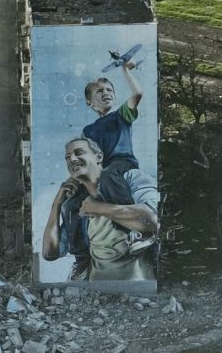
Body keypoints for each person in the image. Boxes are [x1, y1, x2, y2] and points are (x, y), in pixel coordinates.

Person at [57, 61, 145, 280]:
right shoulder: (88, 130)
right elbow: (86, 158)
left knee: (107, 176)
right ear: (90, 102)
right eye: (99, 91)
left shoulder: (122, 116)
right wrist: (74, 181)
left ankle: (135, 231)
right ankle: (81, 256)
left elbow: (138, 94)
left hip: (120, 164)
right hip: (99, 171)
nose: (106, 93)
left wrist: (125, 70)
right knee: (71, 204)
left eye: (109, 90)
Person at [42, 137, 159, 281]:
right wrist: (56, 205)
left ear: (99, 157)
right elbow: (49, 253)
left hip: (138, 285)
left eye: (79, 152)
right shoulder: (75, 206)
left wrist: (98, 208)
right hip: (96, 290)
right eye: (67, 157)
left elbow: (154, 220)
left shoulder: (128, 178)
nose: (72, 159)